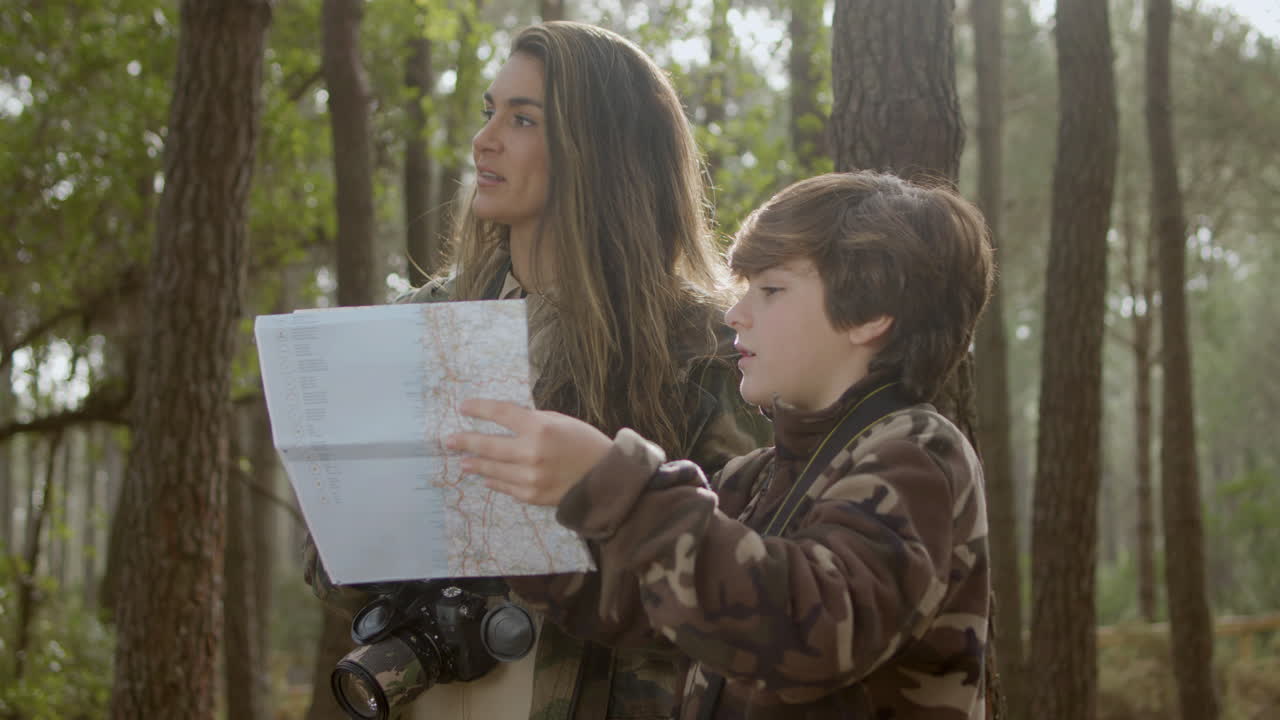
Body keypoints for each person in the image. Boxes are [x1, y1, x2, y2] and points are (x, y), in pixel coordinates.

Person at [303, 20, 770, 720]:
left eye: (522, 119)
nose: (483, 139)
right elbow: (328, 567)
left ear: (599, 150)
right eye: (489, 111)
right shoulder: (421, 324)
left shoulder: (703, 346)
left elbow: (744, 590)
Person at [448, 171, 995, 719]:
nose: (736, 313)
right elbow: (638, 598)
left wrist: (613, 483)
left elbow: (809, 628)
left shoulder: (916, 454)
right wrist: (516, 506)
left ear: (870, 315)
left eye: (771, 290)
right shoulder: (756, 479)